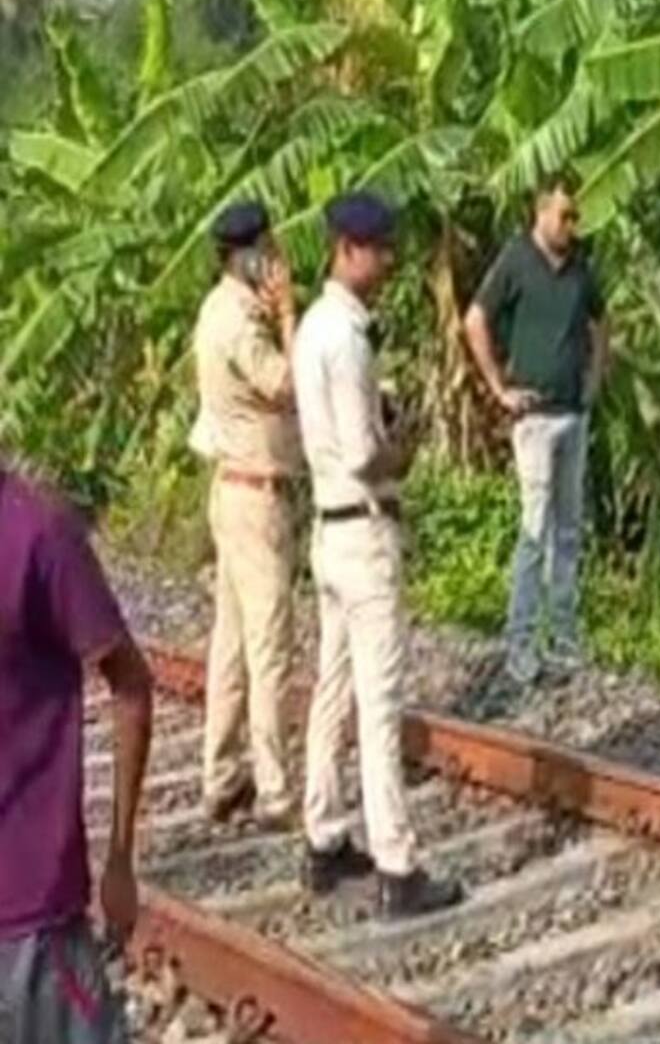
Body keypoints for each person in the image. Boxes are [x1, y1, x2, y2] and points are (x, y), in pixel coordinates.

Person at [293, 191, 463, 918]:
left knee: (332, 690)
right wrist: (405, 446)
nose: (389, 262)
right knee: (379, 699)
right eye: (381, 250)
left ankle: (324, 835)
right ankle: (397, 860)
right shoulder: (350, 337)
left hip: (326, 532)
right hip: (362, 529)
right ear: (349, 250)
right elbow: (366, 452)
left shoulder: (310, 326)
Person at [0, 463, 154, 1044]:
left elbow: (130, 685)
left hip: (30, 916)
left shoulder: (38, 532)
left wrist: (119, 858)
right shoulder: (37, 530)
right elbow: (132, 686)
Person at [462, 174, 608, 689]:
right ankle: (520, 641)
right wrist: (499, 387)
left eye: (576, 217)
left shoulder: (580, 268)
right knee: (534, 529)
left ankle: (563, 637)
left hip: (573, 412)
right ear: (542, 212)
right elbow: (475, 319)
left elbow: (599, 323)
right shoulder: (516, 260)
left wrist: (594, 378)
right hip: (534, 417)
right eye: (565, 215)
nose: (572, 225)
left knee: (568, 531)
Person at [190, 201, 302, 827]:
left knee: (229, 643)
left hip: (230, 488)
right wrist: (288, 312)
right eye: (269, 247)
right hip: (257, 494)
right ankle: (276, 789)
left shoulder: (217, 308)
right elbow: (287, 383)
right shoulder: (243, 322)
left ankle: (220, 774)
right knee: (268, 646)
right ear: (249, 253)